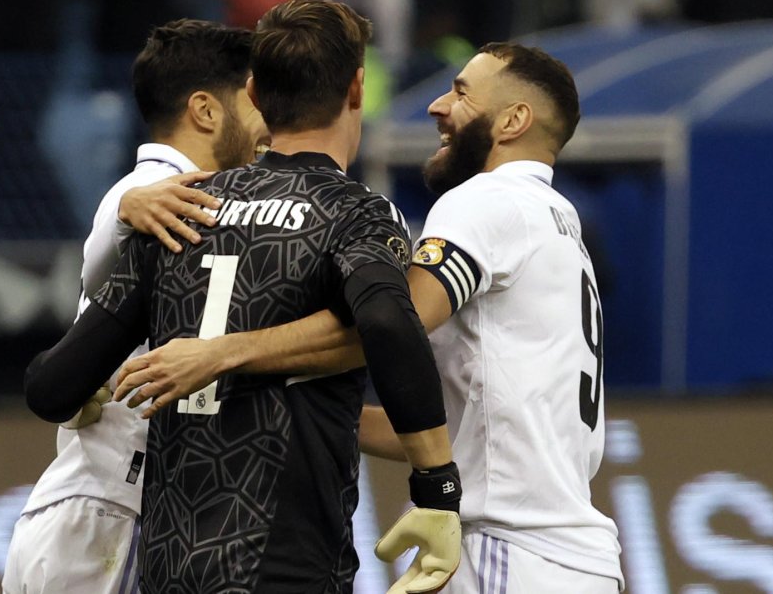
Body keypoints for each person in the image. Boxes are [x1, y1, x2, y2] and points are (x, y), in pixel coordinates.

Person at [117, 42, 625, 592]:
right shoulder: (558, 221)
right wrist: (312, 407)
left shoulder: (485, 200)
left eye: (459, 93)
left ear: (513, 120)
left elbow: (389, 327)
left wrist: (221, 352)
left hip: (509, 547)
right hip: (568, 554)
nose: (436, 106)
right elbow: (466, 428)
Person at [23, 0, 463, 594]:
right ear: (357, 87)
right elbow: (387, 322)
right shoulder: (355, 211)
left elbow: (51, 387)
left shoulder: (184, 207)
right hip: (286, 556)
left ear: (253, 94)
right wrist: (436, 487)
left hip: (170, 560)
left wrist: (89, 386)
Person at [2, 19, 270, 594]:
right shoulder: (154, 190)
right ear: (206, 110)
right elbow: (105, 254)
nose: (267, 120)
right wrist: (127, 210)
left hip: (106, 511)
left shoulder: (186, 194)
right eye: (254, 99)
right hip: (105, 516)